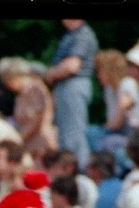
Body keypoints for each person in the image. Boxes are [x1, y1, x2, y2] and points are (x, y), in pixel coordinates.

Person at [45, 19, 98, 168]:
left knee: (73, 135)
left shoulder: (83, 34)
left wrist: (50, 74)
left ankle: (78, 170)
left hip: (74, 85)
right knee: (66, 135)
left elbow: (72, 66)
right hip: (66, 87)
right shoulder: (72, 34)